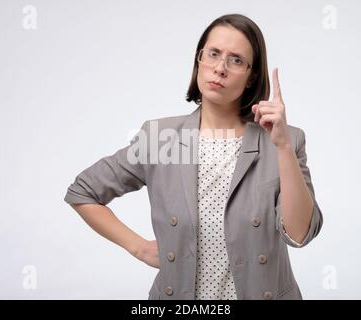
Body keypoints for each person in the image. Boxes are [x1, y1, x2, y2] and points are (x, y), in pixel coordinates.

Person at [64, 13, 323, 300]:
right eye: (213, 54)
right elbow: (83, 192)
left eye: (236, 60)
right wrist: (137, 246)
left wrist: (283, 147)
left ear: (251, 77)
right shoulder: (161, 138)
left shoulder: (286, 140)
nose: (220, 68)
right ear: (199, 60)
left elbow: (300, 235)